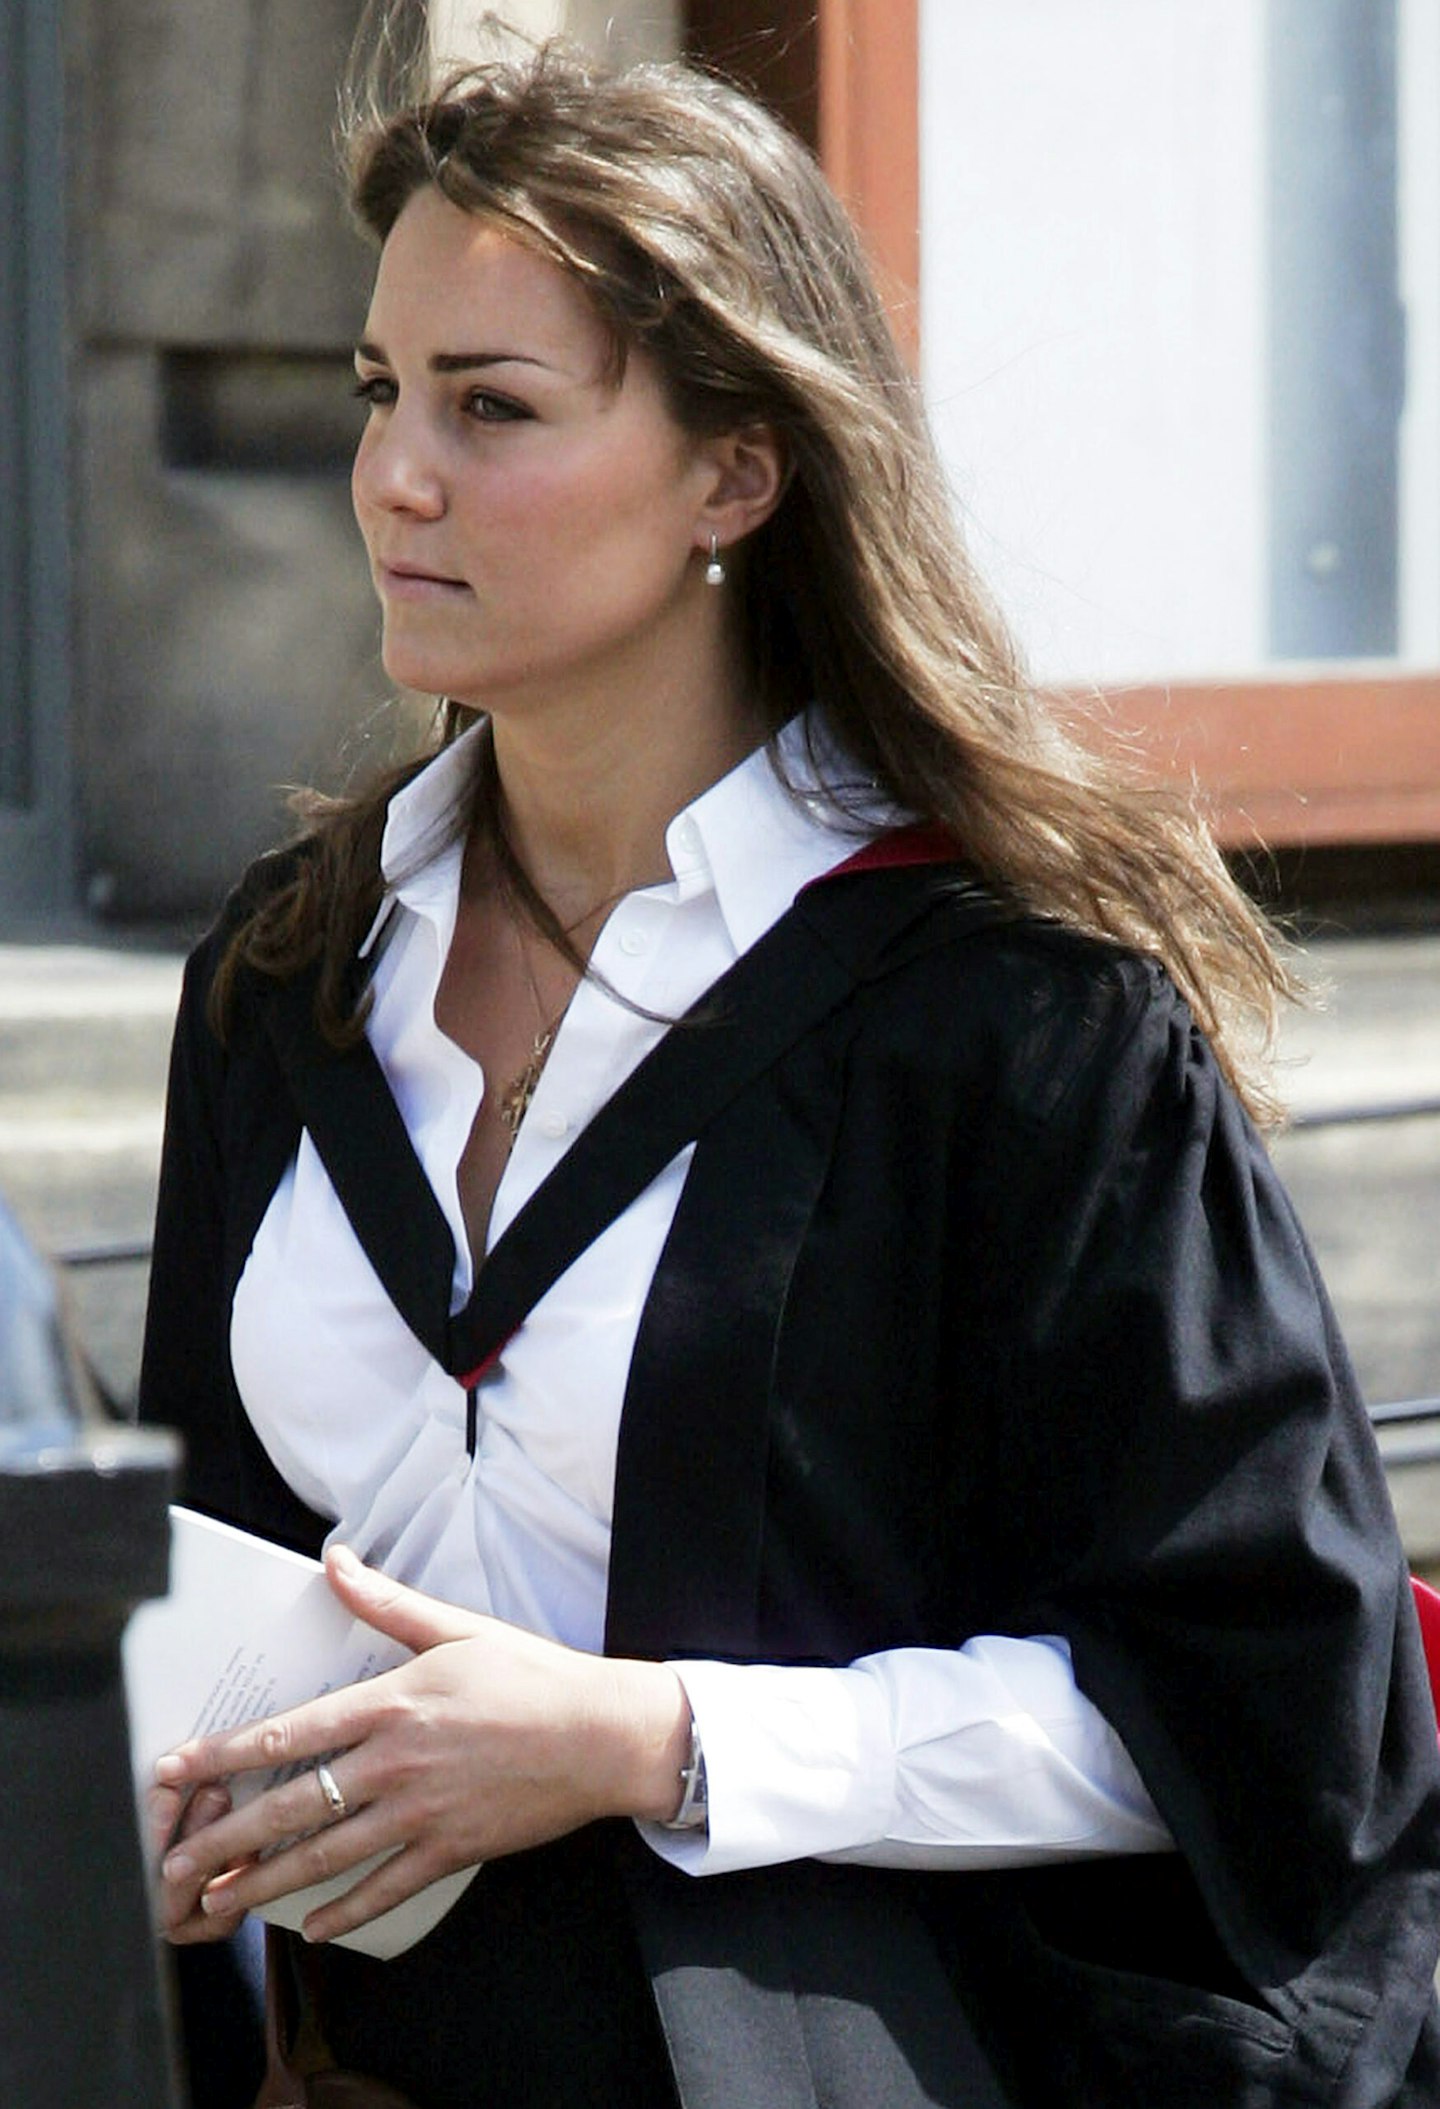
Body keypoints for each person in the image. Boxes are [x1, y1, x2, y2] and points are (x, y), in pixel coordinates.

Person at [138, 30, 1440, 2109]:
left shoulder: (1012, 1024)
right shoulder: (290, 975)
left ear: (736, 471)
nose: (397, 474)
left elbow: (1280, 1721)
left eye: (497, 408)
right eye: (382, 393)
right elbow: (192, 1573)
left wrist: (651, 1739)